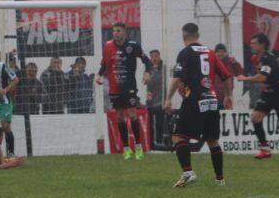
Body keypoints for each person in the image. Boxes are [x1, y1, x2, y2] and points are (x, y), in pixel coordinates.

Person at [164, 23, 232, 187]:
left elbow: (177, 78)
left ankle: (188, 172)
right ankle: (220, 179)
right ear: (198, 35)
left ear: (184, 35)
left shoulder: (185, 53)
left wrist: (168, 98)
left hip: (194, 100)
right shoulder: (210, 52)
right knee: (212, 140)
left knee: (178, 136)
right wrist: (228, 96)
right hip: (211, 100)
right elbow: (226, 76)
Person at [96, 22, 152, 160]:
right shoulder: (108, 46)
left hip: (129, 86)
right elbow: (104, 64)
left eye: (118, 31)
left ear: (124, 32)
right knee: (120, 117)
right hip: (115, 87)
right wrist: (98, 75)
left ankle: (138, 148)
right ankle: (126, 149)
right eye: (114, 31)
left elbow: (147, 61)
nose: (115, 33)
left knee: (132, 114)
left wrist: (147, 73)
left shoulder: (133, 45)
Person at [213, 44, 243, 109]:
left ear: (226, 53)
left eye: (222, 51)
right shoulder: (212, 63)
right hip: (213, 98)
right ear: (215, 53)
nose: (220, 53)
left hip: (227, 98)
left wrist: (235, 63)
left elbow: (240, 75)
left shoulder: (231, 62)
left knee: (227, 118)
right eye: (218, 52)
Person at [146, 50, 166, 145]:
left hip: (161, 100)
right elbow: (147, 83)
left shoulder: (163, 69)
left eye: (156, 56)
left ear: (159, 57)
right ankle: (151, 142)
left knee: (159, 122)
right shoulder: (149, 69)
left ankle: (159, 141)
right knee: (150, 123)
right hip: (151, 99)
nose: (154, 58)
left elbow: (161, 81)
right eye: (152, 57)